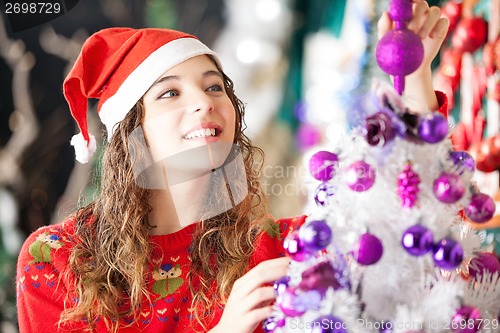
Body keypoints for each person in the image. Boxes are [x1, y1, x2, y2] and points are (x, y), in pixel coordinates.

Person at [16, 1, 449, 332]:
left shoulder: (276, 251)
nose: (205, 101)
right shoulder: (56, 261)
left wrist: (414, 87)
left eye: (214, 87)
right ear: (132, 132)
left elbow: (399, 240)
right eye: (170, 93)